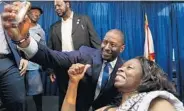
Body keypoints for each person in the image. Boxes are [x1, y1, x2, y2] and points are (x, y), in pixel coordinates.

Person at [2, 4, 125, 110]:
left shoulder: (123, 69)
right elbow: (52, 56)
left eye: (113, 45)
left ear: (122, 48)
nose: (107, 47)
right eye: (105, 42)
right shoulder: (85, 54)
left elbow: (118, 100)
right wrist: (23, 40)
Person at [63, 57, 184, 111]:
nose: (120, 69)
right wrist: (73, 82)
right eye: (121, 67)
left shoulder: (155, 102)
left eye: (129, 67)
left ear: (144, 78)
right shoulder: (106, 109)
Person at [48, 0, 101, 84]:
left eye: (59, 5)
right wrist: (51, 70)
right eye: (55, 7)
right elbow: (50, 50)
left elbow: (95, 42)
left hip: (82, 67)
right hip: (62, 68)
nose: (56, 8)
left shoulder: (84, 19)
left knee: (83, 94)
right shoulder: (54, 27)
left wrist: (101, 64)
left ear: (67, 4)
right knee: (65, 95)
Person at [0, 2, 28, 111]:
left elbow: (22, 31)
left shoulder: (7, 7)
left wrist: (24, 55)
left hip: (8, 61)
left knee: (18, 101)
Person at [24, 6, 46, 111]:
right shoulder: (21, 26)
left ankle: (39, 109)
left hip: (33, 65)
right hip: (18, 65)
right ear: (28, 13)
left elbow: (43, 48)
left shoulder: (40, 31)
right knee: (18, 92)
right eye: (34, 12)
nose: (36, 14)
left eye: (38, 13)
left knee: (37, 90)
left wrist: (43, 63)